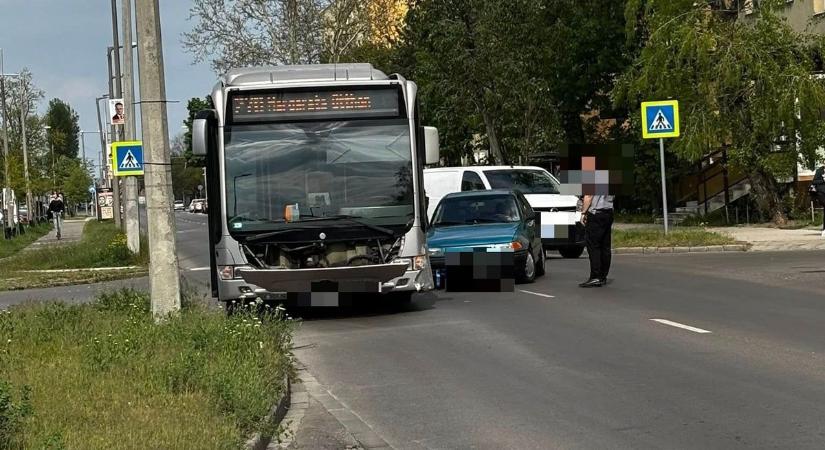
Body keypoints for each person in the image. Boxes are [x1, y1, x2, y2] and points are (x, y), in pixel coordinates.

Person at [579, 190, 615, 288]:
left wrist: (583, 212)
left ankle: (595, 276)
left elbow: (589, 196)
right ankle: (603, 276)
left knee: (593, 246)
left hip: (596, 213)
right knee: (605, 246)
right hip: (608, 211)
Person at [811, 163, 825, 238]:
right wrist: (823, 180)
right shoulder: (819, 171)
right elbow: (814, 181)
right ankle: (824, 230)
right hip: (822, 193)